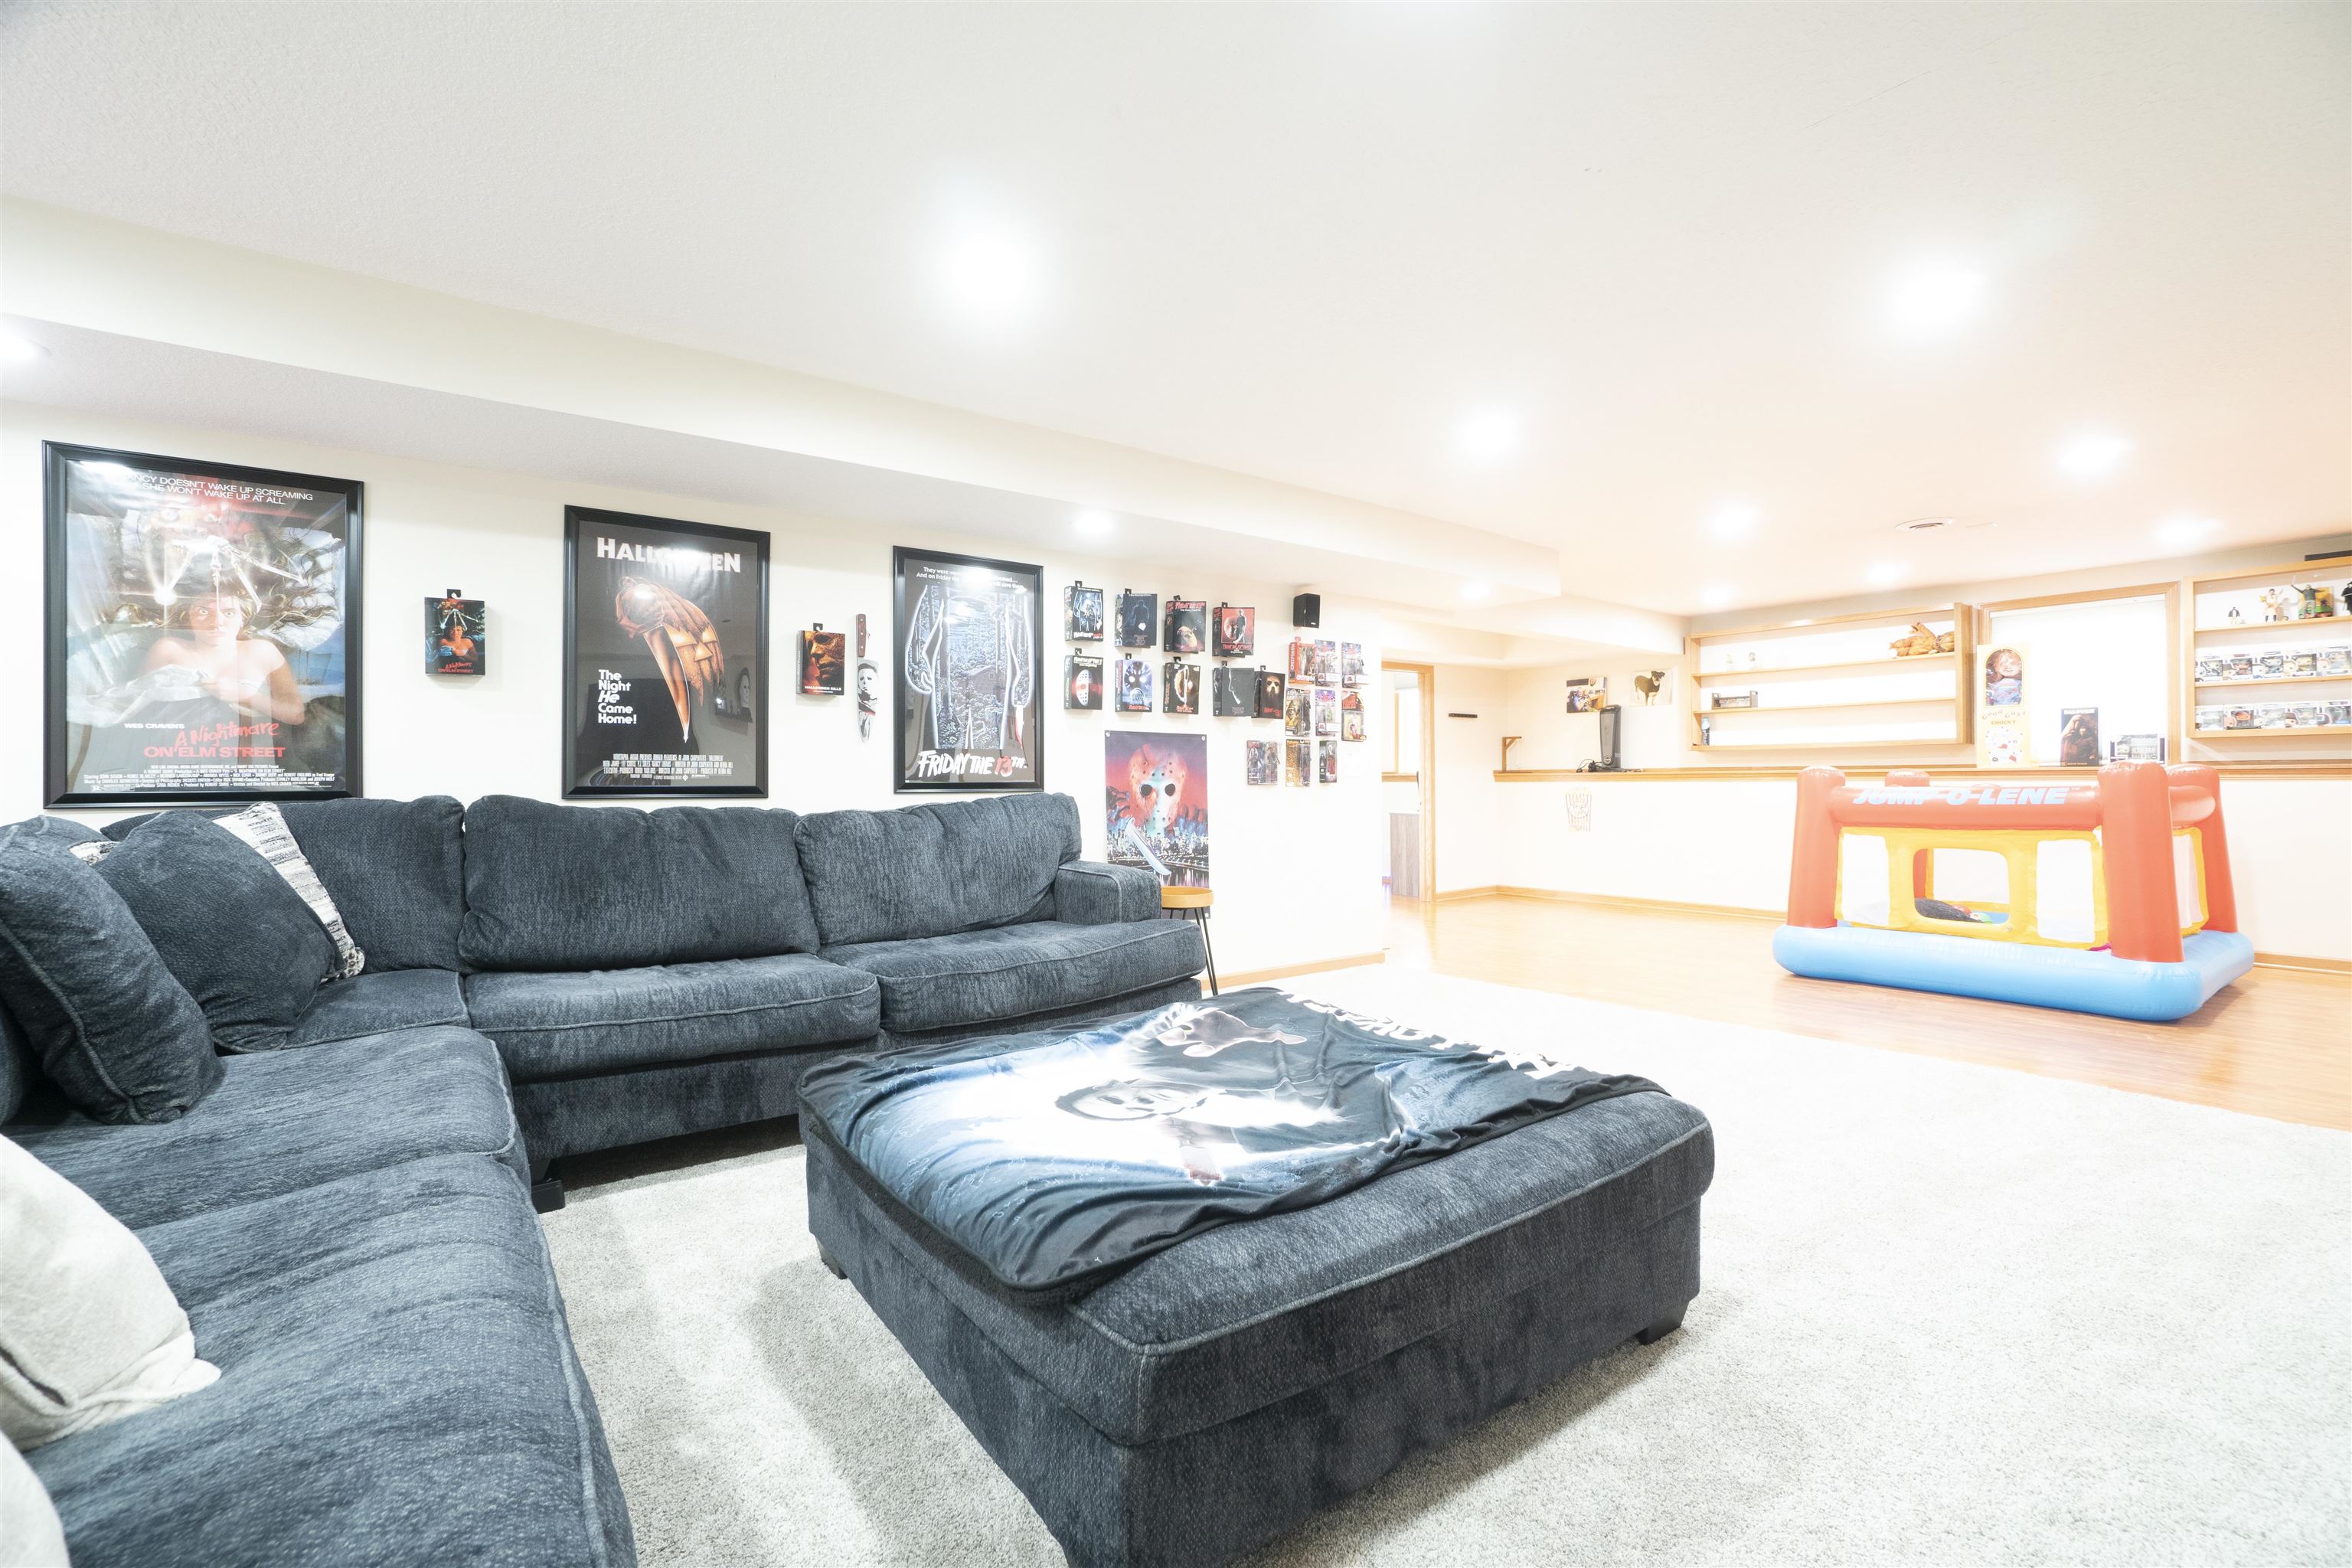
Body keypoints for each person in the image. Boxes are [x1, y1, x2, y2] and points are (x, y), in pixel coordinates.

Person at [139, 590, 306, 725]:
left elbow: (295, 715)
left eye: (229, 613)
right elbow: (139, 708)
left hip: (246, 753)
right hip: (179, 752)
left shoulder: (261, 651)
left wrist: (246, 696)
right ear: (189, 618)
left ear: (243, 619)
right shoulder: (168, 649)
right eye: (203, 611)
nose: (217, 621)